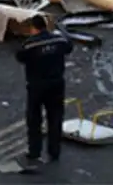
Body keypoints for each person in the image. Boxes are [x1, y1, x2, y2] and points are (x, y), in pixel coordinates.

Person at [15, 15, 73, 168]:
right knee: (55, 117)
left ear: (33, 28)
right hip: (57, 84)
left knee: (34, 119)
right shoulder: (58, 41)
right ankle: (54, 151)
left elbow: (19, 56)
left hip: (37, 86)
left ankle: (35, 151)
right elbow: (69, 47)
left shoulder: (29, 45)